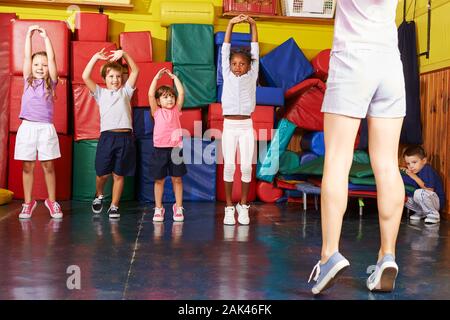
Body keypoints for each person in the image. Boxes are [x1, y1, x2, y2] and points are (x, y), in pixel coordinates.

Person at [308, 0, 406, 294]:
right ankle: (386, 255)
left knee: (337, 160)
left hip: (353, 58)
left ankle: (329, 255)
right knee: (388, 164)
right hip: (389, 62)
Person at [82, 48, 139, 219]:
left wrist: (125, 55)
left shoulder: (126, 91)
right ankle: (99, 194)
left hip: (125, 137)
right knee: (102, 174)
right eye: (111, 76)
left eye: (118, 76)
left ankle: (114, 205)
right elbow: (85, 77)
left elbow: (135, 70)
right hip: (107, 137)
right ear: (104, 79)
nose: (115, 80)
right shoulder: (100, 93)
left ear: (122, 78)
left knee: (119, 174)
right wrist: (94, 57)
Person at [14, 25, 63, 219]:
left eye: (43, 65)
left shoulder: (51, 82)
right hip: (27, 127)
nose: (40, 68)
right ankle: (28, 202)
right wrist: (28, 35)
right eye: (37, 65)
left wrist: (46, 38)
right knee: (27, 166)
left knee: (48, 165)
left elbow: (52, 59)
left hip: (45, 128)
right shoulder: (28, 80)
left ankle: (52, 201)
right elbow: (26, 57)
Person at [221, 14, 258, 226]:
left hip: (246, 126)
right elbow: (225, 48)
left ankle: (243, 206)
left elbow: (255, 49)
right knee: (228, 167)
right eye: (234, 63)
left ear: (248, 66)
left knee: (245, 167)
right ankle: (228, 207)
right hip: (229, 126)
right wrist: (230, 25)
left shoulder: (252, 75)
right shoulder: (226, 74)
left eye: (242, 63)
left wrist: (253, 25)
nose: (237, 66)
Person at [148, 68, 186, 222]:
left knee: (177, 179)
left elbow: (182, 93)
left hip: (176, 149)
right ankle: (158, 208)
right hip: (160, 149)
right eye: (165, 97)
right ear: (158, 101)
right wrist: (156, 77)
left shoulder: (176, 110)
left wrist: (175, 78)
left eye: (171, 96)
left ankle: (178, 207)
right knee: (159, 180)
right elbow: (150, 94)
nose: (169, 99)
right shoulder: (156, 111)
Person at [401, 145, 444, 224]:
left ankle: (433, 214)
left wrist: (414, 177)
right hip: (422, 201)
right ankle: (422, 212)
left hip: (435, 202)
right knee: (401, 195)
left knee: (419, 192)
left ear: (424, 161)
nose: (411, 166)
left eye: (414, 162)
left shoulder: (427, 169)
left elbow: (429, 189)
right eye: (408, 163)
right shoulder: (414, 172)